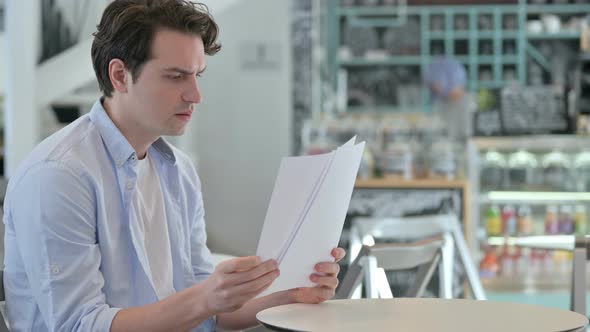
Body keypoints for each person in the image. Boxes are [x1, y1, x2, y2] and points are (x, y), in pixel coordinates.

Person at [2, 1, 345, 331]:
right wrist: (206, 299)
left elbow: (207, 316)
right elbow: (79, 326)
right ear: (120, 75)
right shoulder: (59, 176)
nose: (195, 95)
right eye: (176, 76)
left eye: (197, 75)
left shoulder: (177, 171)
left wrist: (291, 296)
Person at [424, 57, 475, 141]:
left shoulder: (469, 104)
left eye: (437, 85)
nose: (436, 90)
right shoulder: (441, 102)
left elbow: (469, 137)